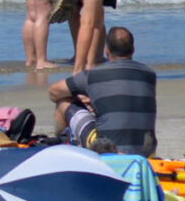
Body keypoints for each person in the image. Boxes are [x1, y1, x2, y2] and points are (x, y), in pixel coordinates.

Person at [49, 25, 158, 153]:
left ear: (107, 51)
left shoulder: (93, 75)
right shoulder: (149, 74)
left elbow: (54, 91)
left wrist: (78, 97)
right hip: (146, 150)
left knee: (63, 103)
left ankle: (63, 151)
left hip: (108, 149)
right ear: (133, 49)